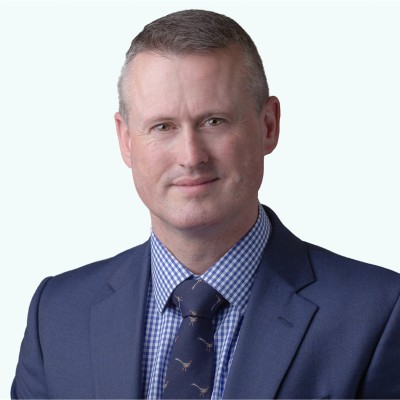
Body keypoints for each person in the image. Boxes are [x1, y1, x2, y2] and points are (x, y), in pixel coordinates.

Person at [11, 9, 400, 399]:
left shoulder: (377, 314)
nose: (191, 156)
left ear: (268, 125)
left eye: (214, 121)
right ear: (126, 141)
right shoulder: (57, 315)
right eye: (163, 126)